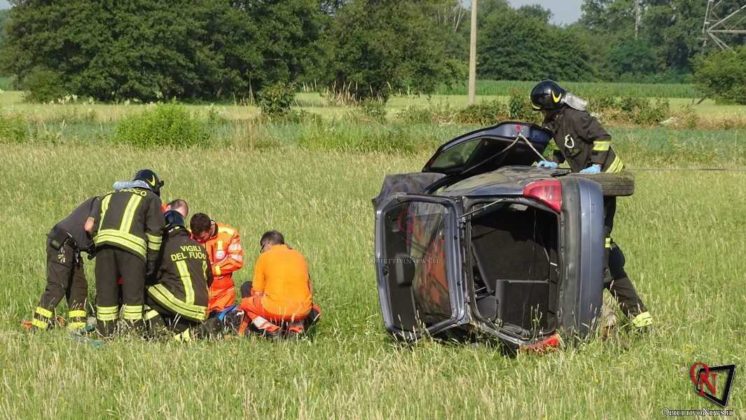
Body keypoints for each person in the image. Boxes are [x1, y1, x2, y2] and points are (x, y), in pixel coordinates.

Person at [530, 80, 652, 329]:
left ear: (552, 104)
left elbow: (603, 137)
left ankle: (602, 265)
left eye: (543, 109)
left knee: (601, 242)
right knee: (603, 251)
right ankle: (638, 316)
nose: (542, 114)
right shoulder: (556, 121)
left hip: (607, 179)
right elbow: (568, 146)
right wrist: (553, 161)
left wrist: (597, 165)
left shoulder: (576, 117)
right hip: (590, 182)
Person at [93, 169, 165, 336]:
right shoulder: (151, 198)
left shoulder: (108, 196)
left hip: (103, 247)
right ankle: (133, 335)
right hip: (132, 250)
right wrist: (152, 262)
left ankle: (105, 333)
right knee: (133, 297)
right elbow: (155, 233)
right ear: (153, 184)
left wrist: (101, 246)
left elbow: (94, 227)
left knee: (105, 295)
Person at [26, 197, 101, 331]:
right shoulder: (101, 202)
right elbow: (89, 227)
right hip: (62, 241)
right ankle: (37, 326)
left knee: (79, 286)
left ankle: (77, 326)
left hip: (74, 247)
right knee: (58, 285)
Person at [144, 210, 211, 341]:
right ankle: (187, 334)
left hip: (180, 304)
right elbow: (209, 278)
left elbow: (151, 275)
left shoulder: (163, 247)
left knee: (139, 290)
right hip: (201, 309)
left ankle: (159, 335)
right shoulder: (199, 247)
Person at [239, 230, 319, 337]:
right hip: (302, 310)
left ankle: (271, 329)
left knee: (246, 303)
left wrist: (242, 329)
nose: (262, 251)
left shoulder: (264, 257)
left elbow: (257, 292)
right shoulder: (299, 256)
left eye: (262, 248)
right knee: (314, 309)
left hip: (275, 309)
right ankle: (295, 328)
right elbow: (309, 288)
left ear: (268, 244)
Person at [190, 213, 243, 315]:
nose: (199, 240)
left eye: (202, 237)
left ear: (210, 229)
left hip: (223, 297)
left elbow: (236, 261)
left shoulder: (229, 234)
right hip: (198, 296)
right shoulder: (189, 236)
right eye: (196, 238)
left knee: (223, 323)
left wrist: (210, 270)